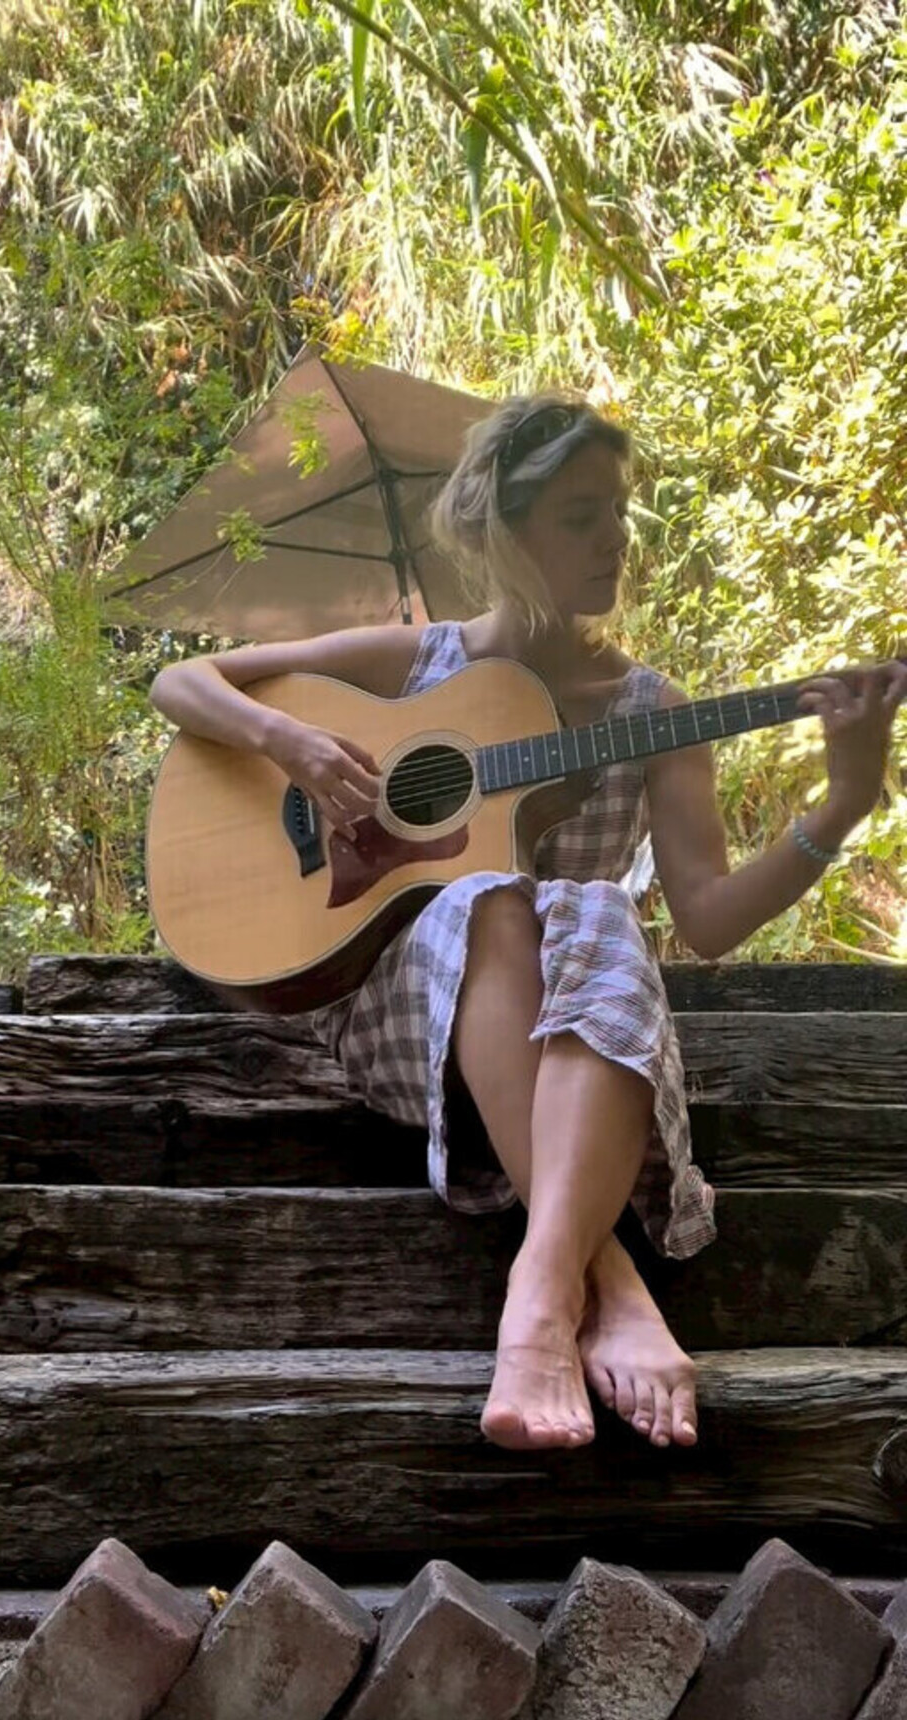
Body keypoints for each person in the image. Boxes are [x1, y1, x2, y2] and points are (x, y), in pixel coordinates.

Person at [149, 392, 906, 1457]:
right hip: (408, 1016)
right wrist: (292, 742)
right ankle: (611, 1283)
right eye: (582, 516)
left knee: (588, 905)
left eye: (619, 512)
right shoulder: (419, 660)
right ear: (503, 530)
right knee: (490, 899)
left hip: (579, 1032)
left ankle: (539, 1298)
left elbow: (709, 919)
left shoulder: (653, 708)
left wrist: (843, 803)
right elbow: (179, 679)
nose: (615, 539)